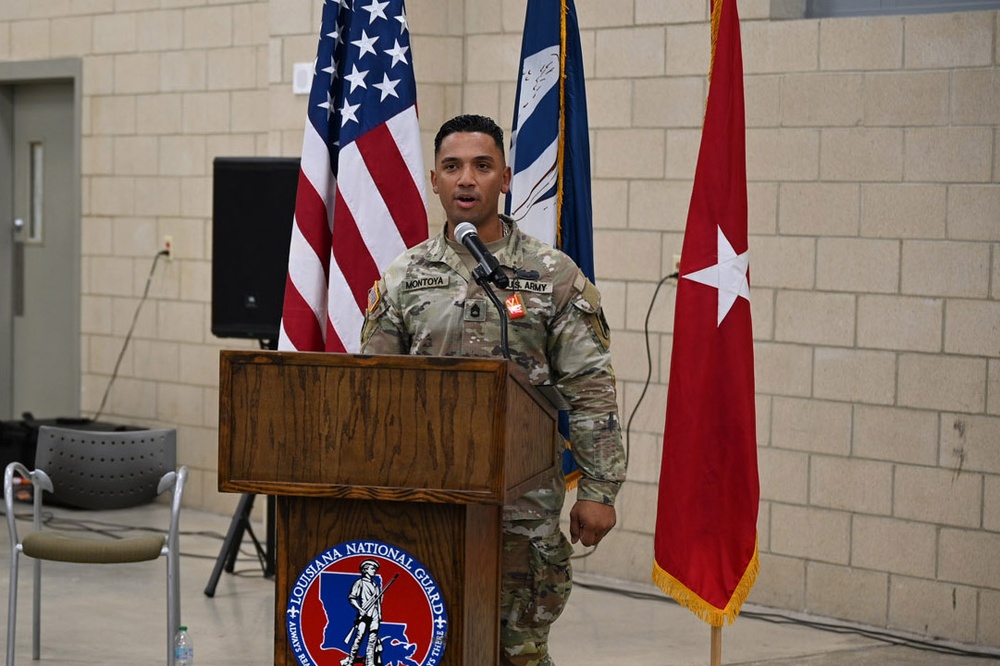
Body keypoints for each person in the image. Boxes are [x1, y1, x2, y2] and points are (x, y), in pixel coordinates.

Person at [360, 114, 626, 666]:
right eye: (452, 167)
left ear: (505, 178)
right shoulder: (404, 277)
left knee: (519, 653)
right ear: (433, 179)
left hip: (522, 510)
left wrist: (600, 491)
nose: (466, 180)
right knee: (426, 645)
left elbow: (591, 390)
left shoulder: (550, 274)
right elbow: (370, 394)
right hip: (427, 503)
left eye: (482, 166)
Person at [342, 559, 383, 666]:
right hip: (364, 615)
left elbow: (378, 602)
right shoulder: (359, 583)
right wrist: (360, 610)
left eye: (375, 569)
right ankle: (350, 661)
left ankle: (370, 663)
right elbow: (352, 598)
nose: (374, 571)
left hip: (375, 615)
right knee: (358, 639)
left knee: (372, 640)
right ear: (365, 570)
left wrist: (379, 615)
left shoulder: (375, 585)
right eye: (372, 568)